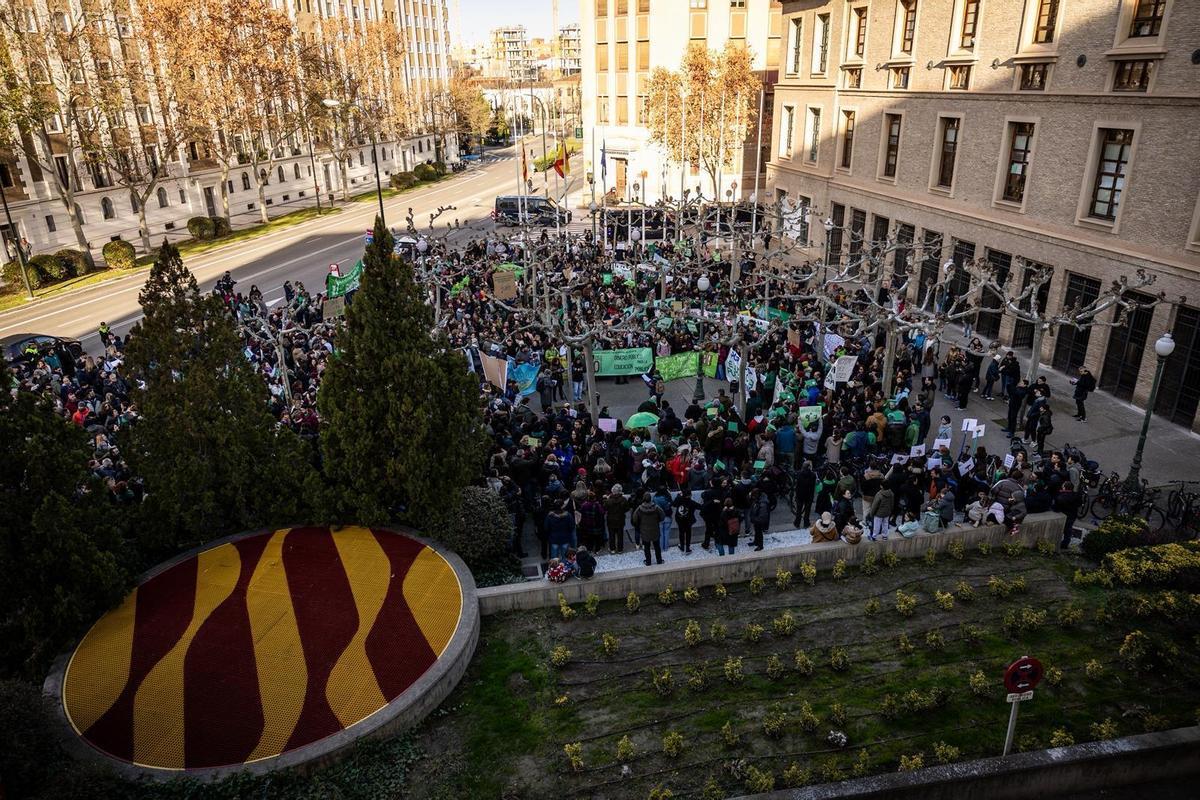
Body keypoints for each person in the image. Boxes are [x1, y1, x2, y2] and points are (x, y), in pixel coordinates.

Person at [631, 492, 666, 565]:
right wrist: (657, 520)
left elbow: (634, 519)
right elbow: (662, 516)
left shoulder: (640, 509)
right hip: (655, 529)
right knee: (657, 546)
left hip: (644, 531)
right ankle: (659, 560)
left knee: (646, 547)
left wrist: (639, 523)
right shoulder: (656, 507)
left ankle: (648, 561)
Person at [1053, 481, 1083, 549]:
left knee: (1063, 529)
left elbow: (1056, 508)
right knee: (1068, 530)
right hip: (1073, 515)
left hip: (1065, 515)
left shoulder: (1061, 497)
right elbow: (1079, 503)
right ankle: (1065, 543)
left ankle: (1061, 543)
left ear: (1065, 488)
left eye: (1063, 486)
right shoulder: (1076, 495)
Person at [792, 460, 817, 529]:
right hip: (809, 495)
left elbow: (796, 484)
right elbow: (813, 486)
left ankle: (797, 522)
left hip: (800, 494)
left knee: (799, 509)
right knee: (807, 510)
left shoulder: (799, 473)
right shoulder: (813, 475)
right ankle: (806, 523)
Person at [604, 485, 629, 553]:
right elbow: (627, 508)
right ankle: (620, 549)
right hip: (620, 519)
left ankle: (612, 549)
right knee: (620, 535)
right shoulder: (623, 499)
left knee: (611, 535)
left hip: (611, 520)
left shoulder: (609, 500)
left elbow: (605, 508)